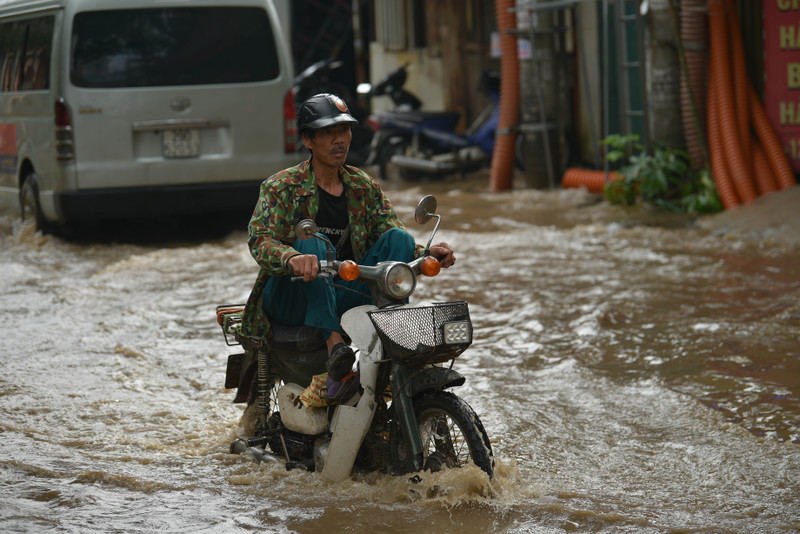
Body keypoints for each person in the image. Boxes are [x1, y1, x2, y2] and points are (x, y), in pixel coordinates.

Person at [240, 93, 455, 381]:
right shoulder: (281, 187)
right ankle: (333, 345)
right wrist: (291, 257)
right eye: (328, 132)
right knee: (312, 241)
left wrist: (426, 256)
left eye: (343, 130)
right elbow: (260, 240)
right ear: (308, 139)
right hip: (291, 295)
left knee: (399, 238)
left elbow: (390, 235)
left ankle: (399, 340)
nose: (338, 140)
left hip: (341, 289)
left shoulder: (363, 186)